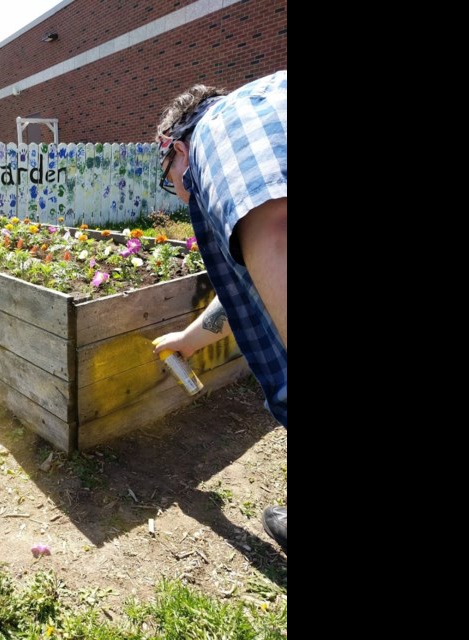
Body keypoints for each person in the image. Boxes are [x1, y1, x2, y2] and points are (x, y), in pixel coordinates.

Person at [151, 71, 287, 552]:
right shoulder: (268, 107)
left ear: (175, 148)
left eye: (172, 181)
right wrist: (188, 340)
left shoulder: (220, 132)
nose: (182, 194)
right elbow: (253, 286)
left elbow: (276, 234)